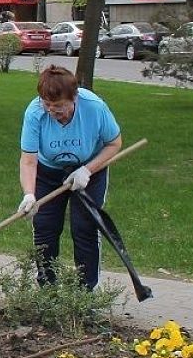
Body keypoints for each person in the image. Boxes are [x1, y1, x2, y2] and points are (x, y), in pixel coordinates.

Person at [16, 66, 122, 289]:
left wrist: (87, 170)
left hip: (89, 170)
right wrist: (29, 194)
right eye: (48, 105)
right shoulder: (35, 113)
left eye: (59, 106)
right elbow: (28, 160)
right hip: (48, 172)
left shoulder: (94, 107)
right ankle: (48, 288)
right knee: (44, 225)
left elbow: (114, 144)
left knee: (84, 227)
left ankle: (85, 291)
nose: (53, 111)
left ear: (74, 97)